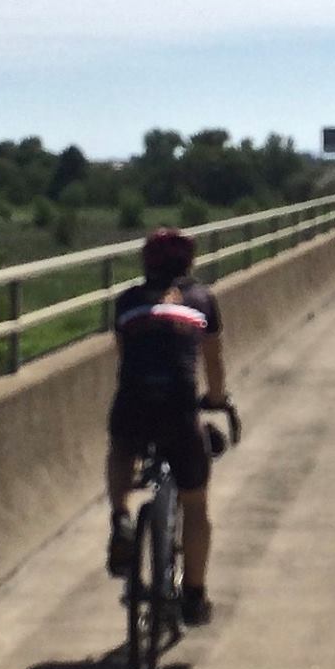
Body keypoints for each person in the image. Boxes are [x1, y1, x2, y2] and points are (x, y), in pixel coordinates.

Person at [106, 227, 229, 625]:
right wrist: (216, 400)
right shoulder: (202, 299)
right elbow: (212, 362)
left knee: (122, 445)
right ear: (188, 262)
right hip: (178, 406)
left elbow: (124, 360)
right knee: (195, 504)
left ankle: (122, 516)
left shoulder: (125, 302)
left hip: (135, 399)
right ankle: (194, 596)